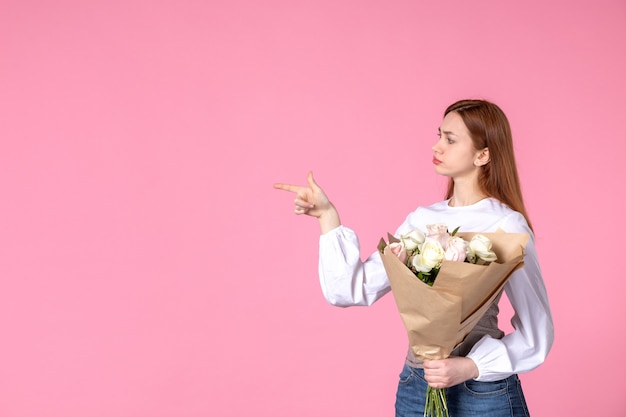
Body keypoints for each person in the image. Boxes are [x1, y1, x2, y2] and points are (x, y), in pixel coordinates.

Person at [273, 99, 554, 417]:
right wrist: (327, 216)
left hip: (483, 391)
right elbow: (352, 289)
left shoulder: (507, 225)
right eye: (439, 135)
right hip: (417, 386)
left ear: (483, 155)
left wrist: (471, 366)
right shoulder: (421, 220)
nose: (437, 145)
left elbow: (537, 330)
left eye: (450, 139)